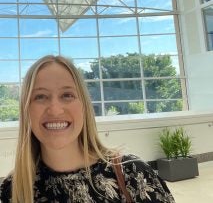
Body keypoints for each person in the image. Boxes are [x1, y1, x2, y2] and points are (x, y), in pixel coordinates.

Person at [0, 55, 175, 203]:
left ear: (84, 106)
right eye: (40, 96)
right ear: (26, 110)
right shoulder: (13, 190)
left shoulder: (134, 174)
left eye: (67, 95)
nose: (55, 109)